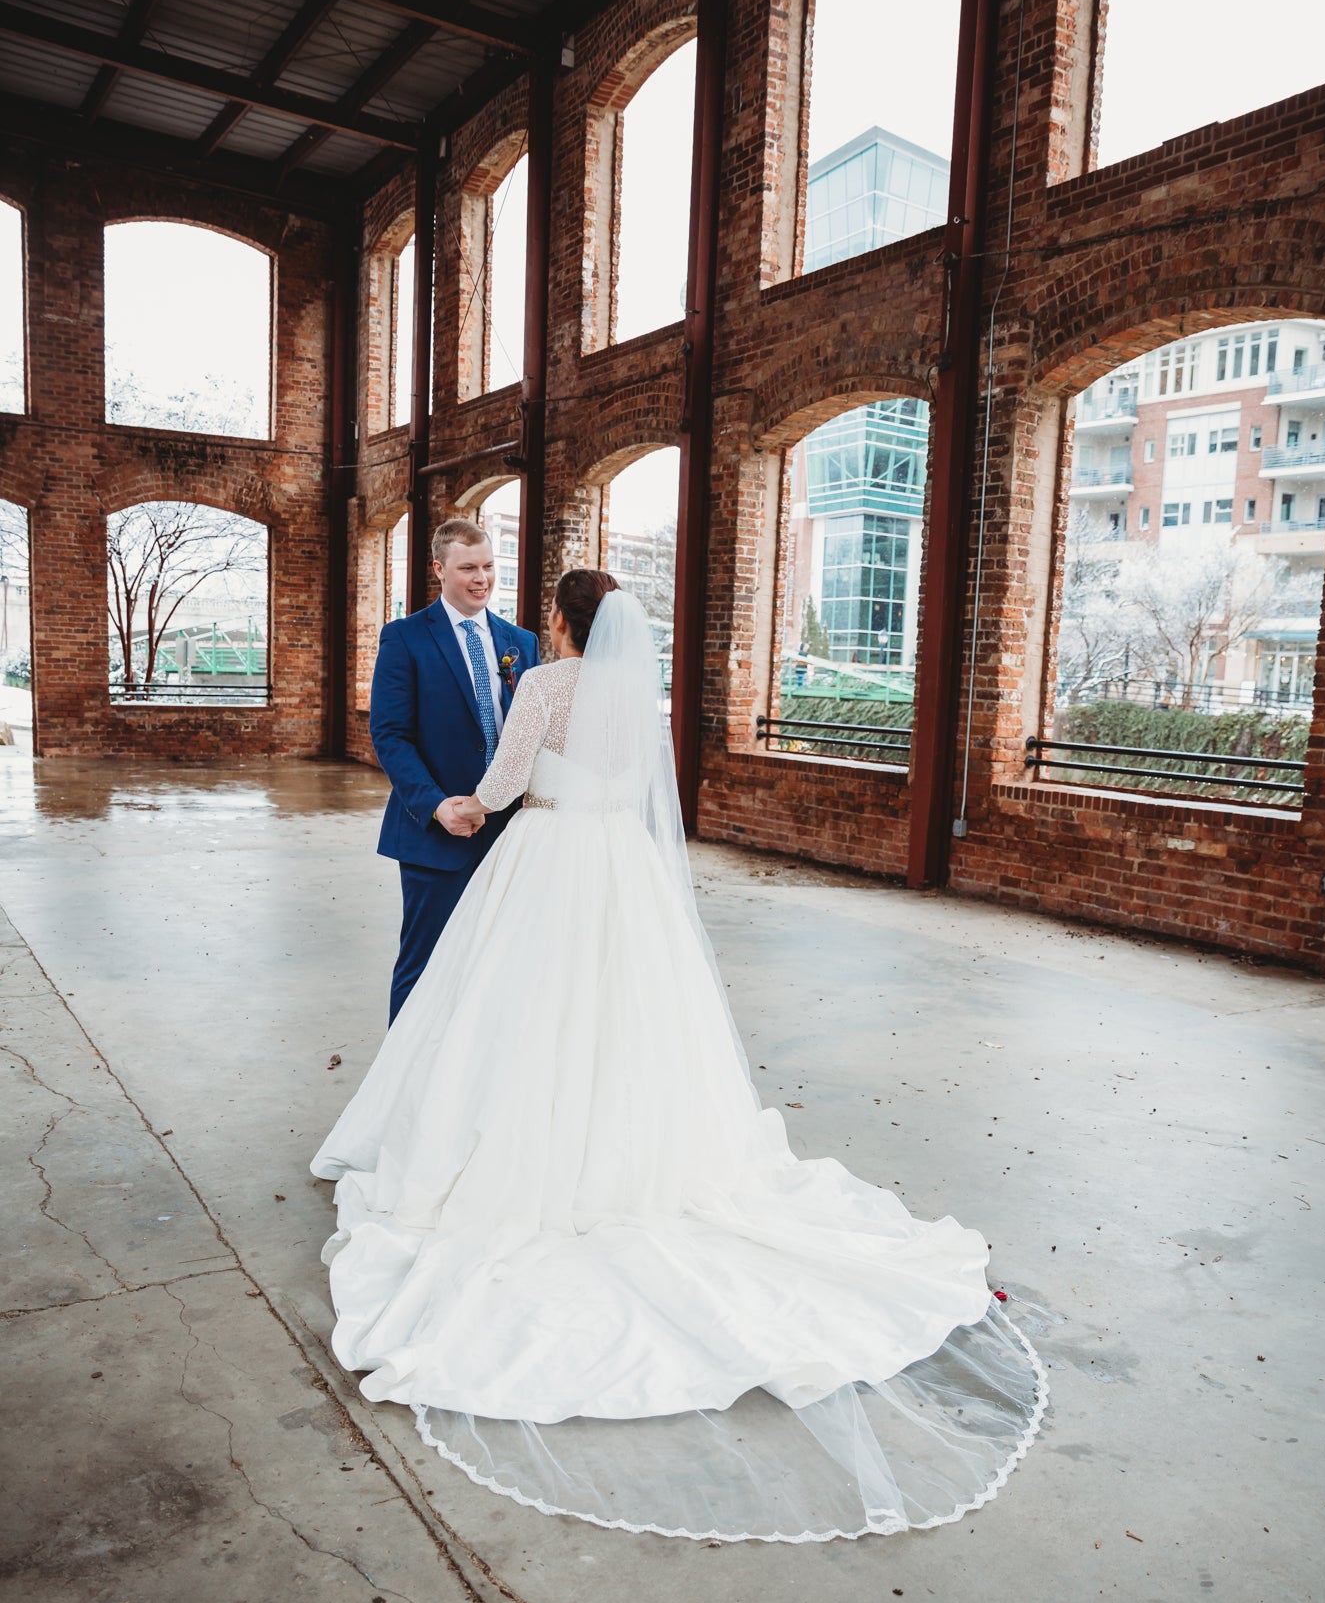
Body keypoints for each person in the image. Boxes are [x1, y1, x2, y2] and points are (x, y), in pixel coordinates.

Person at [313, 570, 1046, 1543]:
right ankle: (629, 1147)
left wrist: (454, 810)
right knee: (625, 1020)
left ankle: (531, 1152)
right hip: (624, 871)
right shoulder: (636, 695)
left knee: (524, 1013)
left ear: (566, 626)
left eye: (552, 619)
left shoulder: (544, 684)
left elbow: (497, 787)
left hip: (549, 862)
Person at [369, 517, 539, 1022]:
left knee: (500, 963)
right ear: (440, 569)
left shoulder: (520, 642)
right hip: (434, 831)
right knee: (425, 964)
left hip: (510, 831)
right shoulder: (404, 638)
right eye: (468, 568)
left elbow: (528, 733)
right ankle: (404, 1084)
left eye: (488, 566)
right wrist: (437, 805)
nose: (481, 578)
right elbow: (390, 735)